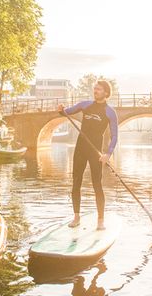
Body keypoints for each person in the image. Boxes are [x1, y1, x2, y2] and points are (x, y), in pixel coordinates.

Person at [57, 80, 118, 230]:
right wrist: (61, 109)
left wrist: (108, 154)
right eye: (95, 89)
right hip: (80, 148)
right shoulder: (85, 105)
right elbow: (67, 112)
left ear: (106, 92)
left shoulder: (110, 112)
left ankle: (101, 220)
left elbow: (115, 136)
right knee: (76, 181)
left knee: (97, 184)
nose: (95, 91)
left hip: (95, 151)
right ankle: (76, 217)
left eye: (98, 89)